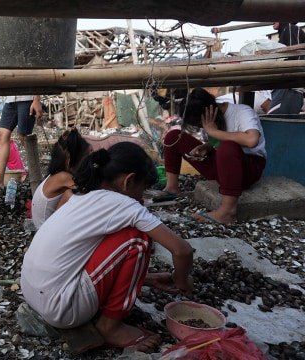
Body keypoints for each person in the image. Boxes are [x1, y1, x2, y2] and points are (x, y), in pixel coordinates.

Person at [21, 142, 194, 353]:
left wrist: (145, 277)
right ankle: (110, 327)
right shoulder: (125, 204)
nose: (142, 196)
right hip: (60, 307)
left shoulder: (80, 195)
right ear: (129, 180)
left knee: (120, 238)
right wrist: (181, 280)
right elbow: (182, 250)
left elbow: (80, 255)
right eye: (143, 188)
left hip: (33, 290)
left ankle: (104, 317)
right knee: (138, 239)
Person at [160, 87, 266, 224]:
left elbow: (251, 140)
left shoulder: (242, 111)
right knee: (173, 136)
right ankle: (172, 188)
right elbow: (218, 142)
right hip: (224, 167)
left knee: (227, 147)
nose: (203, 128)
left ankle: (227, 212)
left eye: (200, 124)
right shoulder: (211, 122)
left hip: (249, 169)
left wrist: (214, 132)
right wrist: (207, 147)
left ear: (210, 111)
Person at [31, 128, 90, 229]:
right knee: (74, 195)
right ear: (69, 159)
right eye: (85, 157)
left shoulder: (54, 175)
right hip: (46, 231)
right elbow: (91, 191)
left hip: (44, 229)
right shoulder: (63, 178)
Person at [0, 95, 43, 189]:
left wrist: (36, 99)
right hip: (11, 99)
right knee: (2, 134)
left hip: (27, 98)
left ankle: (38, 175)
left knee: (24, 136)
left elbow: (37, 79)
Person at [267, 23, 305, 115]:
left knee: (276, 122)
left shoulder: (290, 28)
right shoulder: (285, 31)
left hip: (289, 89)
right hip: (286, 89)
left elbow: (294, 56)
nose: (271, 21)